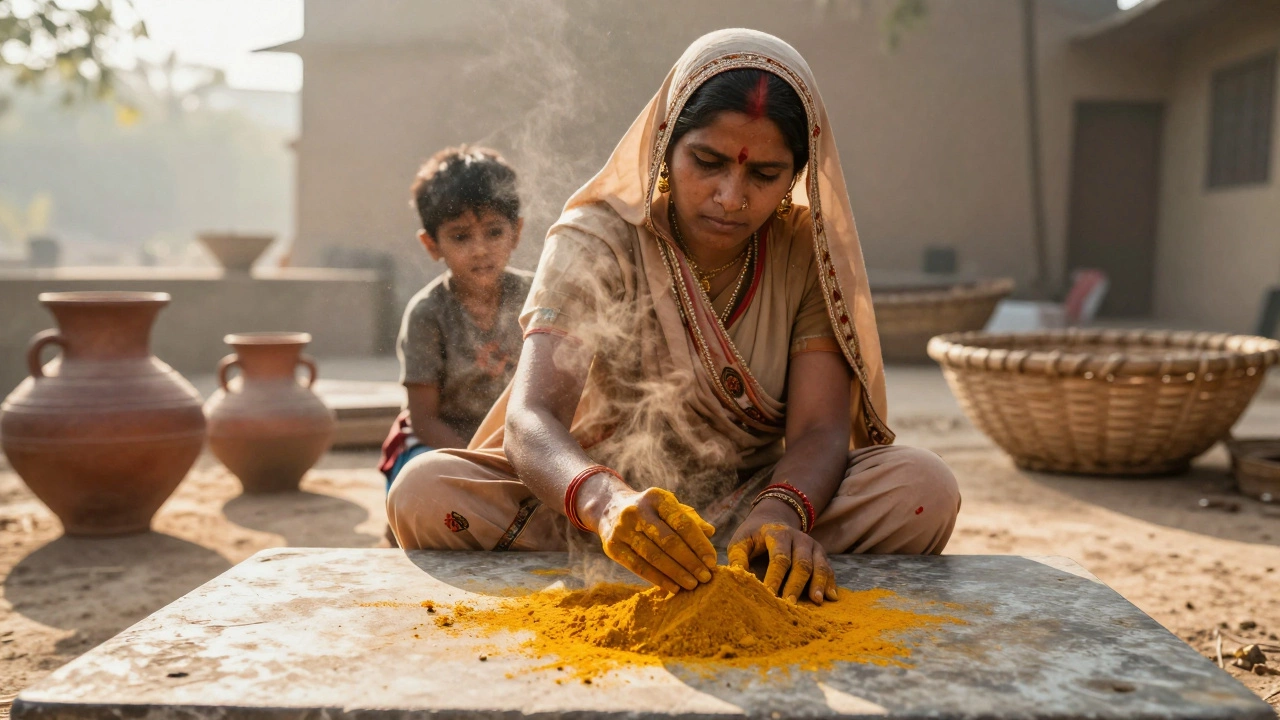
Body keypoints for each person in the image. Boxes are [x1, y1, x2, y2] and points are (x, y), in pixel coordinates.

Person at [387, 30, 961, 604]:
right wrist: (607, 504)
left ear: (796, 175)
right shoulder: (597, 239)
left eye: (765, 174)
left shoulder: (804, 253)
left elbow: (820, 430)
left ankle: (756, 555)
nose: (732, 196)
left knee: (922, 486)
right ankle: (645, 555)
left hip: (751, 508)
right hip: (591, 512)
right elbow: (531, 418)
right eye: (707, 162)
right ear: (665, 146)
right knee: (423, 489)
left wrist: (781, 512)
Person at [378, 146, 533, 494]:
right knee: (419, 484)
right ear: (432, 245)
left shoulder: (537, 296)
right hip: (444, 441)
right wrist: (482, 463)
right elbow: (424, 419)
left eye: (494, 232)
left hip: (520, 441)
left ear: (517, 232)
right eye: (461, 236)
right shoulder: (428, 314)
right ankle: (400, 532)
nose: (480, 249)